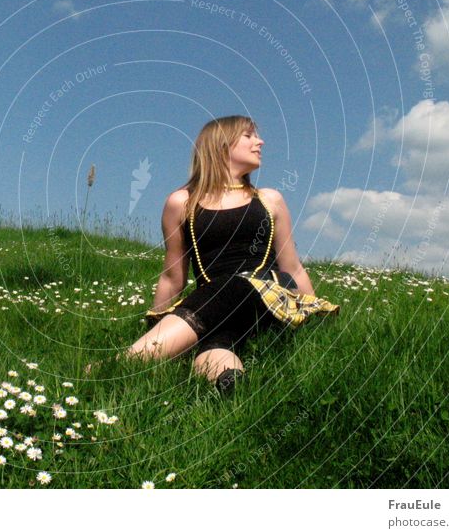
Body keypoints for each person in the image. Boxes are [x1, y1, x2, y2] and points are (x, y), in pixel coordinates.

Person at [120, 115, 338, 395]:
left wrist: (314, 311)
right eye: (249, 135)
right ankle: (229, 382)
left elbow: (292, 267)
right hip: (214, 303)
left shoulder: (269, 199)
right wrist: (158, 321)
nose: (260, 141)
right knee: (214, 342)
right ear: (221, 145)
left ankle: (122, 364)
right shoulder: (182, 203)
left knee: (238, 284)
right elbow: (173, 276)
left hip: (271, 294)